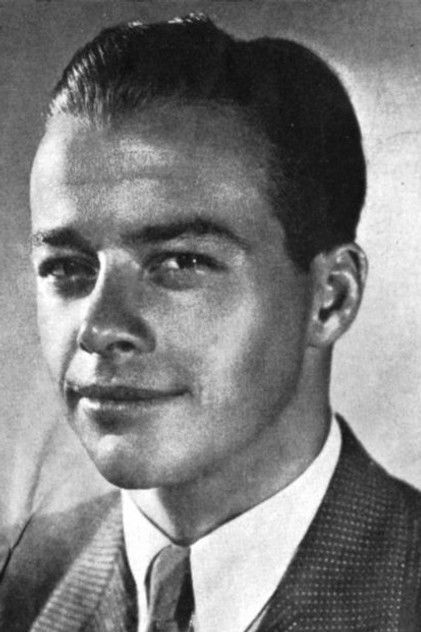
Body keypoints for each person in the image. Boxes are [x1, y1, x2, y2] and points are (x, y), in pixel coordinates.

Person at [1, 12, 420, 632]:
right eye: (67, 268)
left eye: (181, 262)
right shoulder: (15, 585)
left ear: (330, 298)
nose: (98, 328)